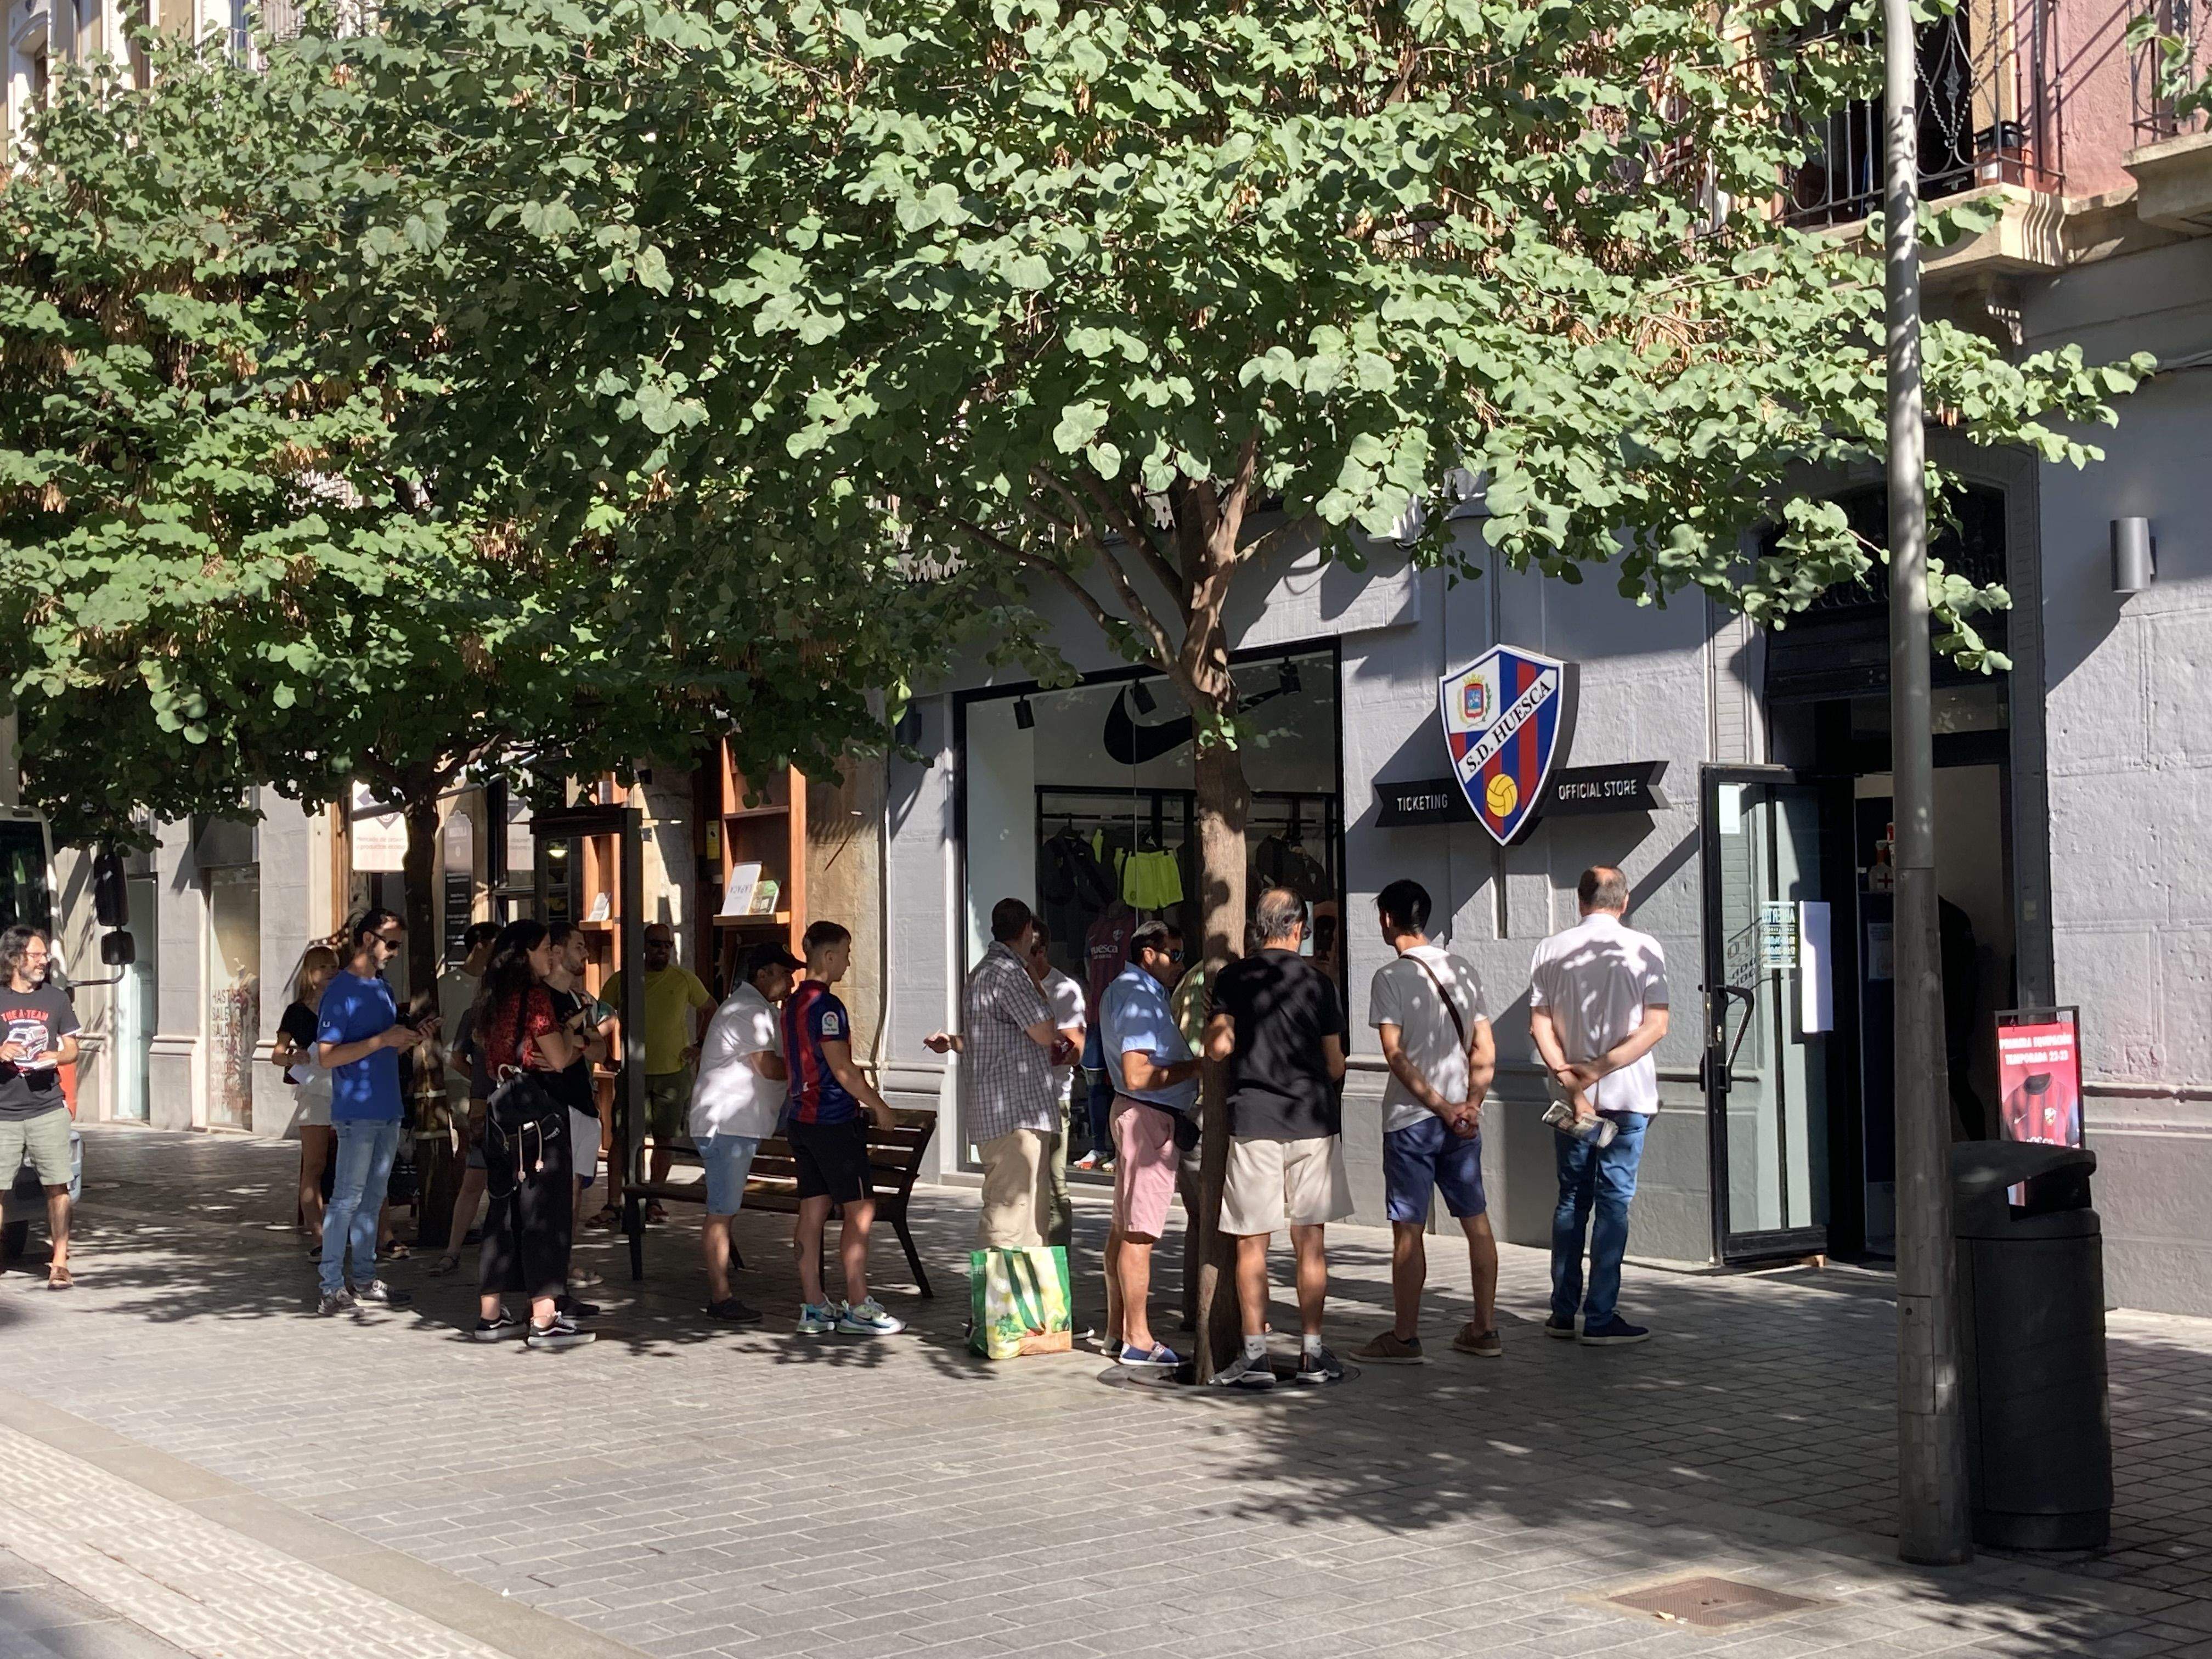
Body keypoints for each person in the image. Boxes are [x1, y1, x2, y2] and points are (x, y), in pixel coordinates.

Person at [1204, 888, 1351, 1389]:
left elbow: (1220, 1047)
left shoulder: (1234, 977)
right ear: (1298, 928)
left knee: (1252, 1245)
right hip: (1312, 1120)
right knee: (1311, 1244)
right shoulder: (1319, 981)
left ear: (1257, 928)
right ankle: (1312, 1353)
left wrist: (1216, 1025)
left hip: (1254, 1120)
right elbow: (1335, 1064)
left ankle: (1256, 1356)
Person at [1354, 880, 1500, 1366]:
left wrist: (1439, 1106)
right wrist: (1470, 1104)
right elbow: (1485, 1048)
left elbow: (1395, 1056)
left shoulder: (1390, 978)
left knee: (1408, 1229)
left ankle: (1405, 1336)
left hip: (1413, 1120)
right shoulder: (1463, 969)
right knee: (1476, 1221)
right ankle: (1484, 1327)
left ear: (1387, 920)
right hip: (1462, 1119)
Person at [1530, 866, 1671, 1347]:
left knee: (1572, 1199)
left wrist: (1572, 1078)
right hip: (1627, 1095)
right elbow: (1655, 1027)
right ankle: (1602, 1314)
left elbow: (1540, 1025)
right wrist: (1599, 1070)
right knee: (1614, 1203)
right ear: (1624, 901)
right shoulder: (1645, 948)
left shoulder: (1549, 949)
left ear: (1580, 899)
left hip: (1574, 1101)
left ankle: (1562, 1312)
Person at [471, 922, 591, 1349]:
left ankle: (491, 1313)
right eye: (545, 950)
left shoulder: (491, 999)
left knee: (501, 1212)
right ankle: (544, 1315)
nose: (552, 957)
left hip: (499, 1110)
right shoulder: (535, 998)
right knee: (545, 1209)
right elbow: (558, 1058)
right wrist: (574, 1040)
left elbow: (485, 1047)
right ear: (524, 955)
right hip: (535, 1113)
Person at [783, 920, 905, 1336]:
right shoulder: (827, 1007)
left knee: (813, 1208)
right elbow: (842, 1069)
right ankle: (857, 1304)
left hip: (800, 1117)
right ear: (828, 956)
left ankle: (814, 1304)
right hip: (833, 1119)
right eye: (847, 953)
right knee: (860, 1209)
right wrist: (880, 1107)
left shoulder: (791, 1004)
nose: (849, 963)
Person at [314, 910, 426, 1318]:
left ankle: (363, 1278)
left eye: (398, 945)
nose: (394, 952)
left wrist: (409, 1039)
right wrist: (384, 1039)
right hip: (357, 1111)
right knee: (346, 1198)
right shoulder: (340, 992)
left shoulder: (381, 987)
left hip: (387, 1106)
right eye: (390, 943)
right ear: (366, 939)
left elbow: (382, 1048)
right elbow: (326, 1057)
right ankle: (330, 1286)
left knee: (374, 1198)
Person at [1098, 921, 1199, 1370]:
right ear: (1148, 955)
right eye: (1173, 955)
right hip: (1147, 1116)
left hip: (1139, 1112)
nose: (1179, 964)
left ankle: (1117, 1329)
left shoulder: (1134, 991)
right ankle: (1137, 1339)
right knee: (1139, 1232)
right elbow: (1139, 1073)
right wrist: (1195, 1069)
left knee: (1124, 1228)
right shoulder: (1138, 995)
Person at [690, 941, 798, 1322]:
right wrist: (813, 1070)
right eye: (785, 973)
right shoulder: (747, 1011)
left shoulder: (759, 1009)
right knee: (722, 1211)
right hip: (728, 1125)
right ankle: (721, 1297)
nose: (791, 981)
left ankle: (722, 1292)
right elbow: (769, 1067)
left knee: (725, 1209)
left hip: (739, 1124)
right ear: (762, 974)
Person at [955, 899, 1060, 1251]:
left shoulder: (982, 971)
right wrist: (1035, 982)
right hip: (1015, 1114)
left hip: (1001, 1112)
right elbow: (1045, 1032)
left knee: (1026, 1219)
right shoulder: (1010, 973)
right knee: (1011, 1216)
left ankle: (1019, 1302)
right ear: (1028, 932)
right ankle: (997, 1302)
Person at [601, 922, 714, 1217]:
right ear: (643, 946)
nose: (662, 950)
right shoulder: (623, 979)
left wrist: (700, 1045)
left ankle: (655, 1200)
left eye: (667, 945)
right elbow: (600, 1017)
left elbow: (710, 1008)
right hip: (632, 1072)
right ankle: (614, 1204)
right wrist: (605, 1055)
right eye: (655, 944)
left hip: (673, 1075)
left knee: (665, 1139)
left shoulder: (684, 979)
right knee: (623, 1137)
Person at [0, 924, 81, 1290]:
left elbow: (72, 1049)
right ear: (14, 958)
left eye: (45, 955)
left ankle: (60, 1262)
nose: (44, 961)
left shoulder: (56, 999)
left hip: (47, 1107)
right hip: (3, 1112)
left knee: (57, 1186)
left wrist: (56, 1055)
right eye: (36, 955)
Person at [426, 922, 500, 1273]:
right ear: (482, 945)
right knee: (471, 1153)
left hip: (477, 1083)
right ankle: (455, 1228)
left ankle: (458, 1237)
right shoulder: (449, 986)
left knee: (474, 1157)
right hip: (463, 1080)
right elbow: (444, 1040)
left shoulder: (493, 996)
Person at [271, 944, 340, 1252]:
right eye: (323, 967)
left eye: (334, 967)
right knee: (315, 1164)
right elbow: (276, 1054)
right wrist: (291, 1057)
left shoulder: (343, 1006)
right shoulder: (297, 1012)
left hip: (346, 1087)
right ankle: (319, 1236)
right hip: (315, 1089)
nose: (330, 973)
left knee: (353, 1163)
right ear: (310, 973)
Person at [1032, 931, 1085, 1250]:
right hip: (1015, 1100)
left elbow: (1075, 1050)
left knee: (1054, 1187)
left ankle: (1056, 1268)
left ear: (1041, 952)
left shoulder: (1064, 989)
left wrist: (1037, 1044)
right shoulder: (1011, 985)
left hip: (1053, 1098)